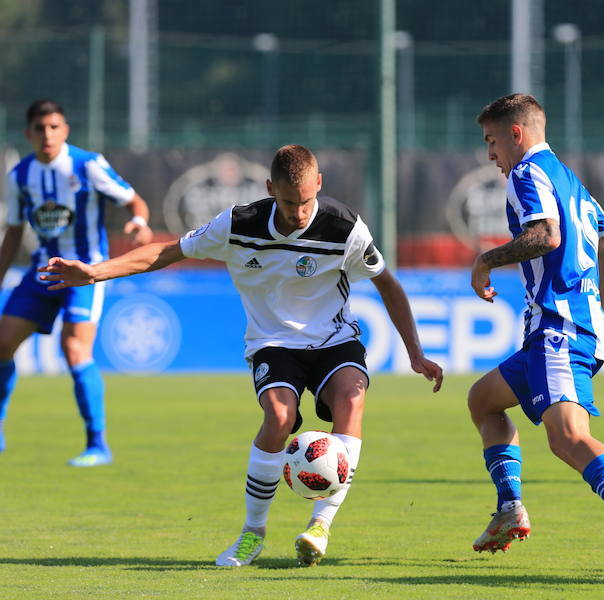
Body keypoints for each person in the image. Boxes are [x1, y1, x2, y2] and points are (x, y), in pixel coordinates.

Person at [39, 144, 444, 567]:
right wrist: (95, 271)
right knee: (279, 418)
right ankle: (252, 533)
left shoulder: (344, 228)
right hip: (272, 343)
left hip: (334, 341)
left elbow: (388, 285)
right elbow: (167, 251)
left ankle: (321, 523)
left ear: (319, 185)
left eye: (306, 201)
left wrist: (414, 352)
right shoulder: (238, 223)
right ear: (270, 189)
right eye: (289, 202)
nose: (299, 212)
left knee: (351, 399)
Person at [466, 94, 604, 573]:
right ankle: (508, 507)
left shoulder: (526, 174)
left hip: (557, 328)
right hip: (565, 326)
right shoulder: (573, 181)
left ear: (515, 133)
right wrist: (602, 314)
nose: (490, 154)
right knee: (483, 401)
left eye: (492, 141)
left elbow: (546, 236)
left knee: (567, 437)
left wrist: (485, 260)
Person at [0, 99, 153, 466]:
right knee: (2, 344)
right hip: (42, 272)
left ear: (65, 130)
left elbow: (136, 202)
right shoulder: (20, 175)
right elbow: (14, 232)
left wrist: (139, 223)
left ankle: (97, 444)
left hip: (86, 272)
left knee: (75, 350)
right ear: (29, 134)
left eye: (54, 127)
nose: (47, 134)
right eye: (40, 128)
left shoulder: (88, 165)